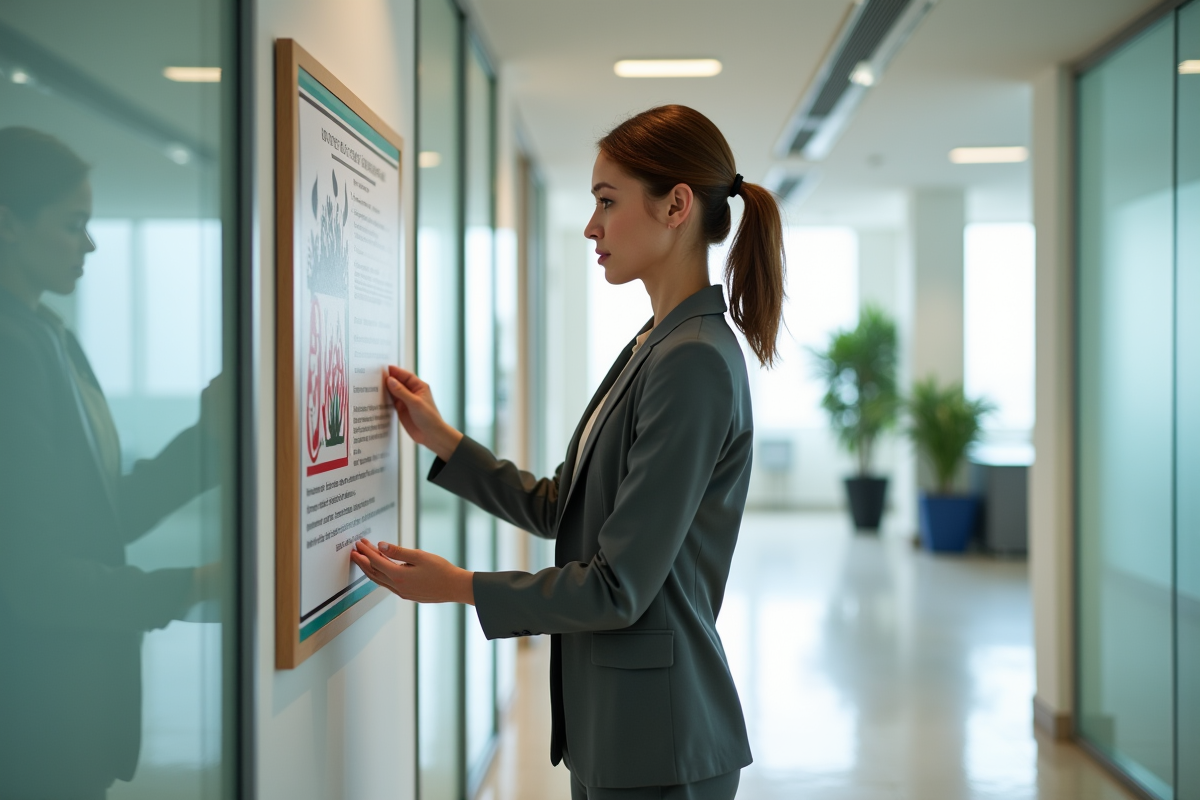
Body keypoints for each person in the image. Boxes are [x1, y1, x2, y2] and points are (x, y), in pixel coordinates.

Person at [352, 105, 785, 800]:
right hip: (621, 730)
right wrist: (445, 441)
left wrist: (460, 587)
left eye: (607, 202)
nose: (593, 226)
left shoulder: (693, 360)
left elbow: (619, 586)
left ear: (676, 206)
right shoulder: (656, 343)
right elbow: (566, 505)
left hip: (660, 743)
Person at [0, 126, 224, 799]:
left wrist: (207, 440)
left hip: (67, 714)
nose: (91, 244)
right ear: (7, 224)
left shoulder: (50, 336)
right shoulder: (13, 352)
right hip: (34, 714)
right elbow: (32, 577)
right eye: (73, 225)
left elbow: (100, 516)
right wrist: (198, 581)